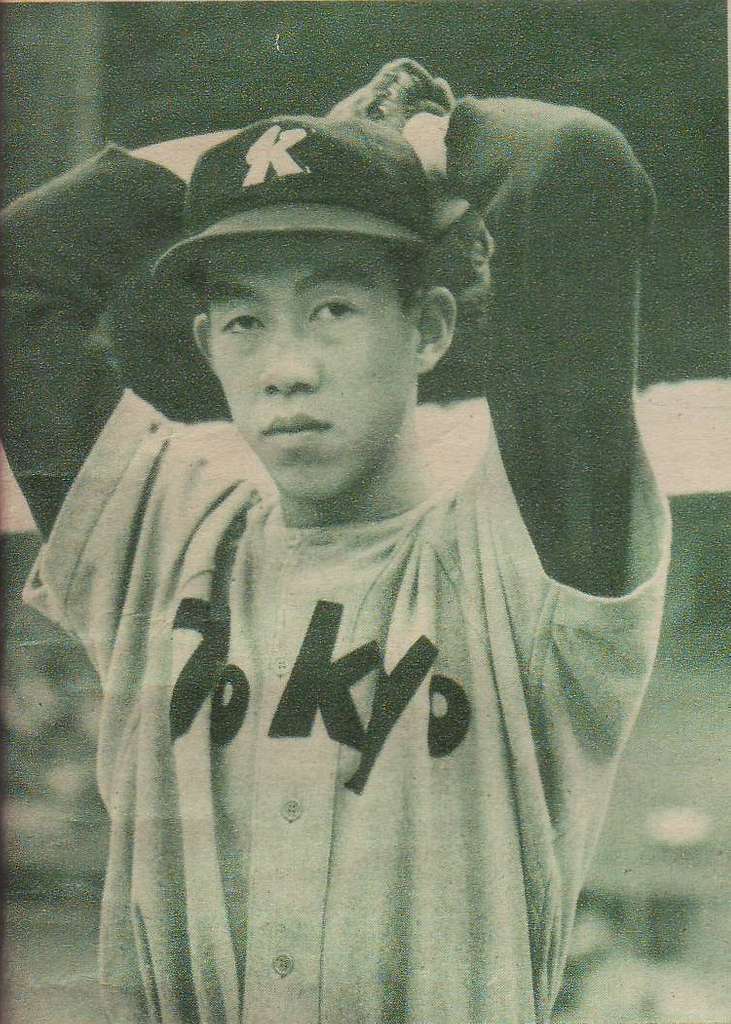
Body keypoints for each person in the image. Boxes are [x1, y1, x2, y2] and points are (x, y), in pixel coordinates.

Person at [2, 60, 670, 1024]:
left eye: (333, 309)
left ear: (429, 327)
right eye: (243, 320)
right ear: (205, 347)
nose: (285, 368)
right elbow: (18, 269)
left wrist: (404, 149)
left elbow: (571, 167)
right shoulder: (156, 537)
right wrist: (283, 144)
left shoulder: (520, 559)